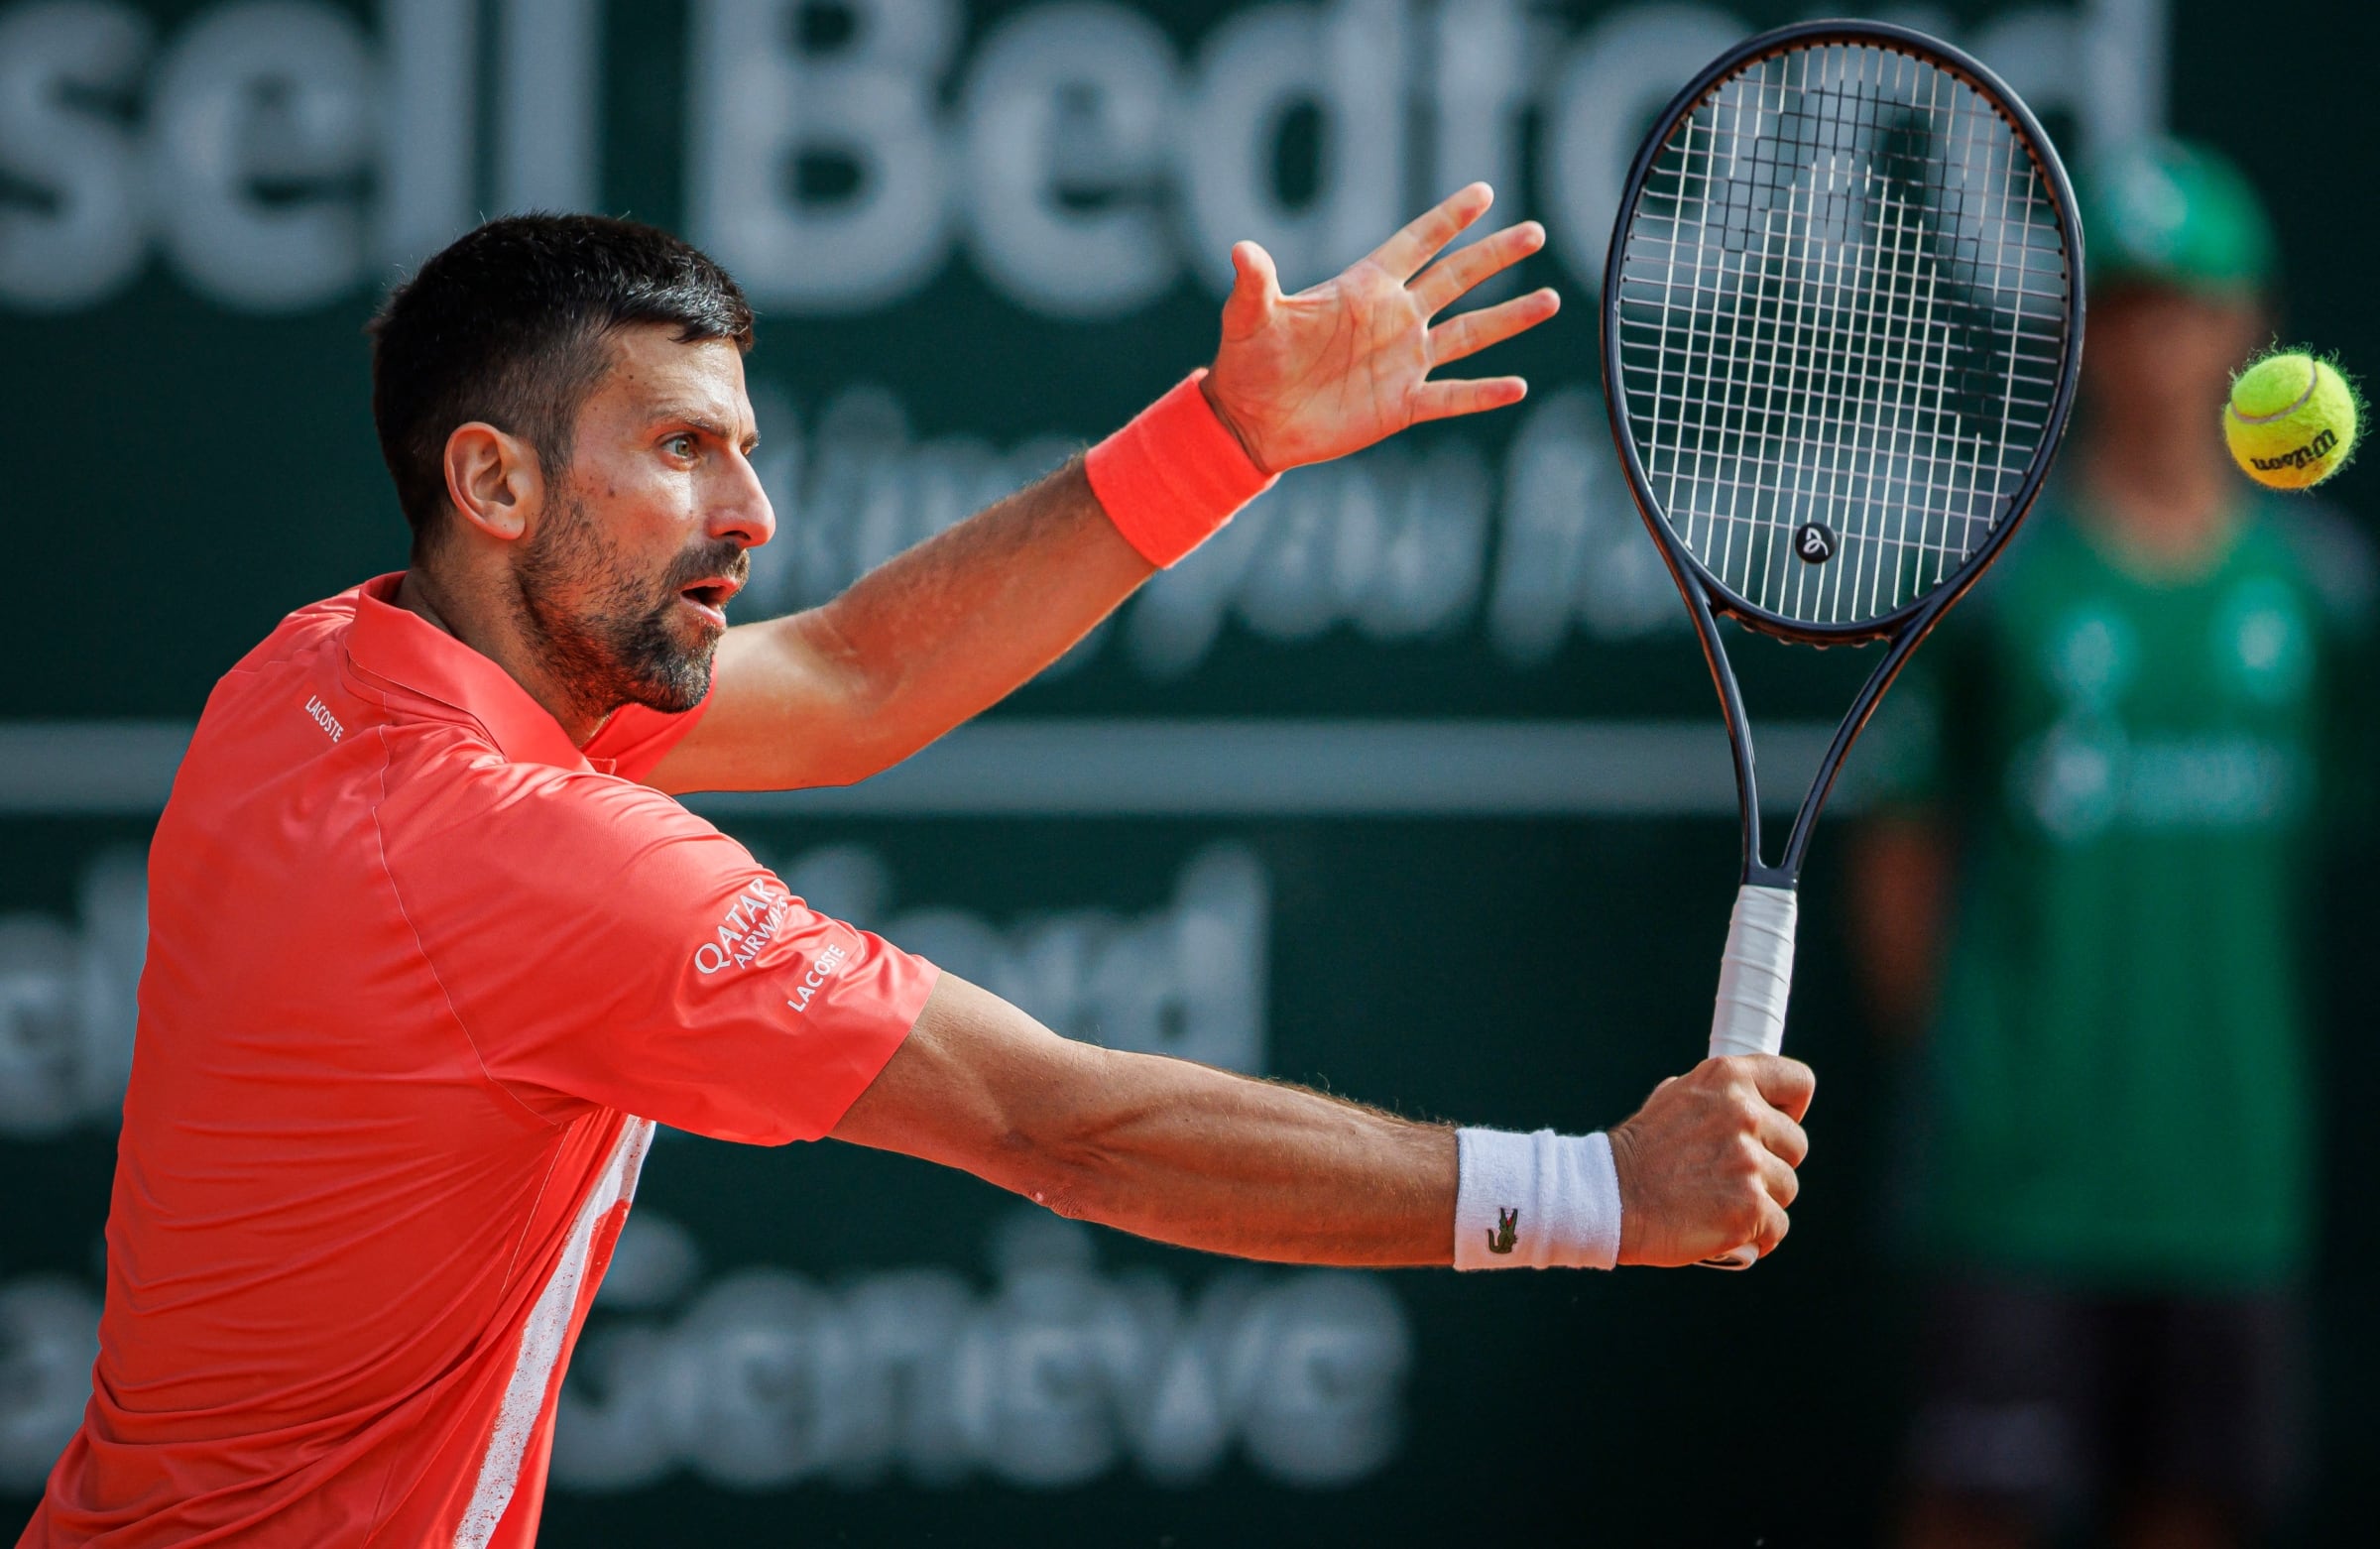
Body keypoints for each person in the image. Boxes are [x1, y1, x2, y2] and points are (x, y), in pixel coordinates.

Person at [21, 187, 1815, 1548]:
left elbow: (857, 675)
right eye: (679, 449)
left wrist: (1227, 434)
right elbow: (1059, 1122)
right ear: (493, 482)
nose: (752, 513)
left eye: (743, 445)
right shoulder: (518, 857)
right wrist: (1598, 1193)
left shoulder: (320, 678)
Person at [1855, 140, 2367, 1549]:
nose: (2155, 347)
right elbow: (1901, 861)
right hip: (2021, 1183)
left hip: (2229, 1179)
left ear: (2250, 326)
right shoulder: (2000, 591)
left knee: (2195, 1513)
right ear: (2083, 335)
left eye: (2184, 307)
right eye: (2126, 309)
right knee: (1972, 1513)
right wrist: (1984, 1078)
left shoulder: (2322, 604)